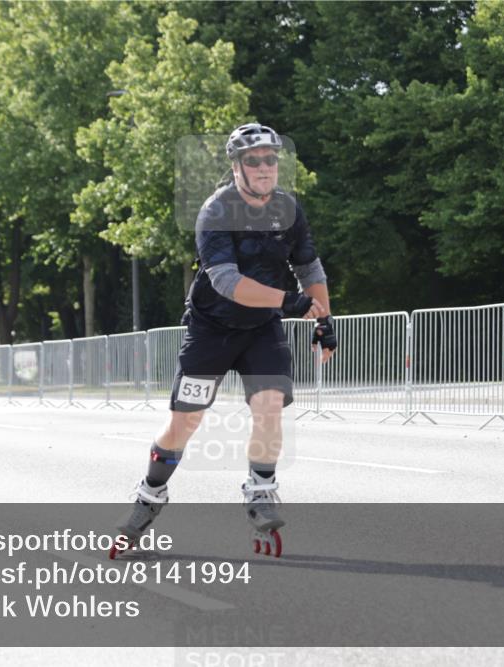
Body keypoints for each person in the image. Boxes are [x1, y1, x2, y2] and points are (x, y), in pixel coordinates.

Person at [112, 123, 337, 558]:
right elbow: (227, 281)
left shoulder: (289, 209)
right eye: (254, 160)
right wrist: (291, 302)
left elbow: (309, 268)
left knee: (270, 403)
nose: (265, 167)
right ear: (237, 167)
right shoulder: (216, 212)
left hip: (262, 329)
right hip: (211, 328)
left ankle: (261, 491)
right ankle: (148, 497)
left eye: (271, 159)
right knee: (186, 422)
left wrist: (323, 320)